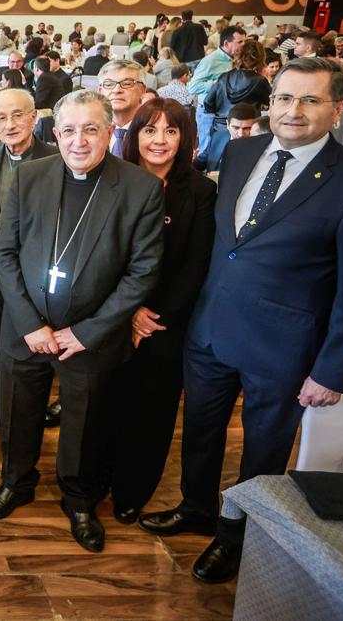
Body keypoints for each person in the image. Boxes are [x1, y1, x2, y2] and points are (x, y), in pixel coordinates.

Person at [139, 57, 343, 584]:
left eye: (310, 100)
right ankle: (196, 508)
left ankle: (237, 535)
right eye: (284, 98)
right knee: (202, 432)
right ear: (269, 103)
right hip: (211, 331)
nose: (293, 110)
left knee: (261, 449)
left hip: (284, 348)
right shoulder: (239, 152)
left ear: (336, 110)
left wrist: (332, 371)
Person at [0, 90, 164, 554]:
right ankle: (16, 482)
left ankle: (80, 499)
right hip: (27, 327)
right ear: (54, 134)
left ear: (109, 132)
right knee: (18, 410)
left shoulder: (139, 188)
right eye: (68, 130)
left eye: (90, 129)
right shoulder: (28, 178)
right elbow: (4, 254)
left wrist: (85, 332)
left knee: (85, 424)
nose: (78, 141)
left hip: (90, 335)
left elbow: (142, 272)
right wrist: (29, 323)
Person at [99, 98, 216, 524]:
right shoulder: (112, 180)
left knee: (152, 409)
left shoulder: (201, 191)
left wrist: (150, 315)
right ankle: (98, 477)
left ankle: (133, 489)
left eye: (171, 131)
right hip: (111, 314)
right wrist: (127, 310)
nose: (159, 140)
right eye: (149, 130)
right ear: (135, 136)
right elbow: (102, 255)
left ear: (184, 138)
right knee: (107, 402)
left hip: (165, 321)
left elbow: (195, 265)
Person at [0, 89, 58, 443]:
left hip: (37, 278)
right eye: (0, 117)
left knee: (35, 353)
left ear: (35, 118)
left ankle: (28, 417)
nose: (9, 124)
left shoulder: (55, 159)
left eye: (18, 115)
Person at [199, 41, 271, 171]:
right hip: (247, 130)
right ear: (261, 58)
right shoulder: (260, 81)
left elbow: (208, 103)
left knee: (214, 168)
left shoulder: (224, 77)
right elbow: (271, 104)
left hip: (220, 129)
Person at [189, 26, 246, 154]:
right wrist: (216, 83)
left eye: (244, 41)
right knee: (208, 151)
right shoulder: (210, 61)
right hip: (209, 114)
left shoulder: (235, 59)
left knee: (222, 150)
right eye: (240, 42)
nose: (244, 45)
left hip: (225, 113)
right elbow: (193, 87)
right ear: (226, 43)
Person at [98, 60, 147, 157]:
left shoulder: (154, 132)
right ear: (100, 91)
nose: (116, 90)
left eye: (127, 83)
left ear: (143, 90)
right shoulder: (90, 131)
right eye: (108, 84)